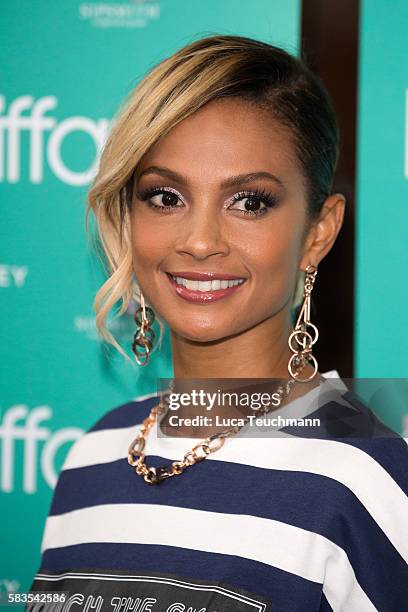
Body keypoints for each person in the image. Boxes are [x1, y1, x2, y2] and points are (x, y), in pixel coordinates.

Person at [27, 34, 408, 611]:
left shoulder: (367, 476)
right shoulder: (94, 455)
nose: (200, 241)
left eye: (249, 202)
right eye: (165, 196)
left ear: (317, 233)